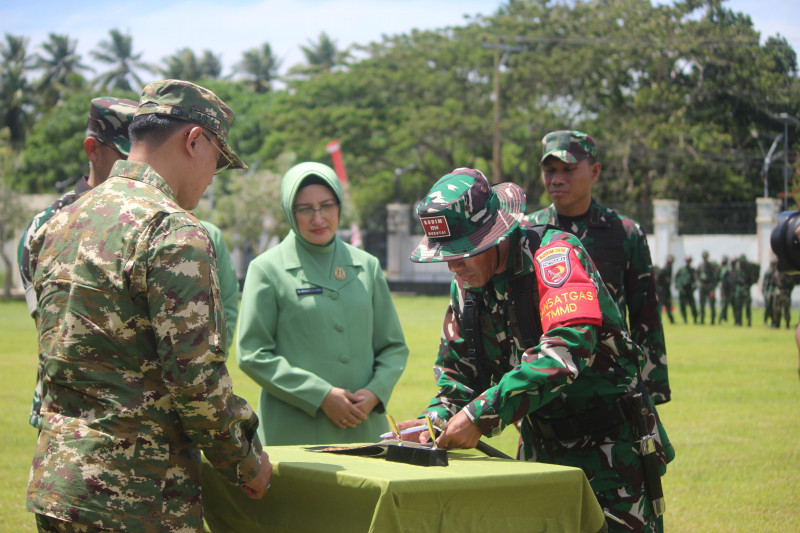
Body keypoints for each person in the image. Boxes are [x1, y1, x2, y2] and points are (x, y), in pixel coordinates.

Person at [26, 79, 271, 532]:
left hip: (58, 486)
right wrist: (244, 459)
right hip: (138, 498)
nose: (209, 179)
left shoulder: (59, 222)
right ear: (194, 141)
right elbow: (196, 380)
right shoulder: (172, 229)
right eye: (216, 163)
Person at [399, 168, 674, 533]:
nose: (453, 266)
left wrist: (485, 411)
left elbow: (566, 351)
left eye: (462, 252)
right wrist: (435, 420)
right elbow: (458, 378)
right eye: (445, 255)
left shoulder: (553, 256)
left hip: (611, 452)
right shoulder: (466, 286)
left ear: (493, 237)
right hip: (540, 451)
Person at [236, 161, 408, 446]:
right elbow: (253, 353)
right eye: (305, 209)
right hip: (296, 433)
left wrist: (375, 392)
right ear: (289, 213)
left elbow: (393, 347)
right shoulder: (267, 269)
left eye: (327, 206)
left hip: (364, 429)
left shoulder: (367, 266)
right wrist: (320, 396)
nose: (318, 218)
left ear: (339, 207)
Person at [526, 130, 669, 405]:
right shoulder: (528, 233)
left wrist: (652, 389)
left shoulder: (625, 233)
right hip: (546, 385)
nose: (557, 179)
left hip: (612, 388)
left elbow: (646, 316)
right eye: (550, 170)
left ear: (594, 172)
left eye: (568, 169)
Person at [732, 254, 757, 327]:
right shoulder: (737, 267)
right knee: (738, 306)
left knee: (747, 306)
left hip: (746, 287)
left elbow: (752, 279)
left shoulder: (748, 268)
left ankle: (748, 321)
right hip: (739, 287)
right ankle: (738, 321)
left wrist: (748, 285)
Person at [697, 250, 720, 325]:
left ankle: (713, 320)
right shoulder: (700, 266)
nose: (705, 258)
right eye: (704, 257)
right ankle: (702, 320)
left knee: (712, 304)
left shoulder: (711, 266)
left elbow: (715, 278)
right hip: (703, 287)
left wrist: (712, 289)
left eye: (706, 257)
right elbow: (697, 276)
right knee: (702, 305)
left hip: (710, 287)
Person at [675, 256, 698, 324]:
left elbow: (696, 279)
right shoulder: (681, 270)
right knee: (682, 306)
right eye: (687, 261)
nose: (688, 262)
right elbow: (676, 279)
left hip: (690, 290)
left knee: (693, 306)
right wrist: (679, 287)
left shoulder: (693, 270)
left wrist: (694, 288)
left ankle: (695, 319)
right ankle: (685, 319)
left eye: (689, 261)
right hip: (682, 290)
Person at [655, 255, 675, 325]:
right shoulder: (664, 268)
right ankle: (658, 319)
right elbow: (657, 278)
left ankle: (672, 320)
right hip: (662, 290)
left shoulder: (670, 268)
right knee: (660, 305)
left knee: (668, 305)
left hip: (666, 289)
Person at [762, 257, 778, 327]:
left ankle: (774, 321)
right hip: (769, 292)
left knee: (774, 307)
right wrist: (765, 293)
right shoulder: (768, 272)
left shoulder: (777, 272)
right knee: (768, 307)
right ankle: (766, 320)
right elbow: (765, 284)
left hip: (775, 291)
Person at [717, 255, 733, 324]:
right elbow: (723, 281)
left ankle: (724, 319)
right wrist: (723, 290)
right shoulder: (725, 269)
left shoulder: (725, 269)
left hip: (726, 290)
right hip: (725, 290)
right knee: (724, 305)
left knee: (725, 305)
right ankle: (720, 319)